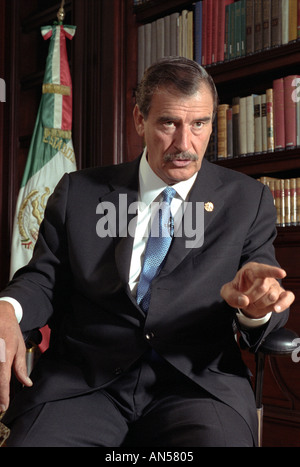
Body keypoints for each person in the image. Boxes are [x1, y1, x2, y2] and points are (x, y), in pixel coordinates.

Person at [0, 57, 295, 447]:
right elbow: (43, 277)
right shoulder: (79, 192)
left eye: (199, 124)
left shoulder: (247, 200)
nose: (184, 144)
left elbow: (264, 288)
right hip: (85, 384)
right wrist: (8, 308)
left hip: (197, 387)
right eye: (168, 123)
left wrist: (255, 309)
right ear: (140, 120)